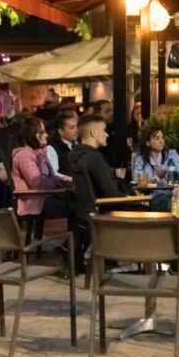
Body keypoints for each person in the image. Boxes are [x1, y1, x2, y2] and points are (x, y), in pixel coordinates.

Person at [69, 114, 127, 267]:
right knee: (153, 207)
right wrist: (132, 197)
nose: (107, 134)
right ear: (94, 133)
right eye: (104, 130)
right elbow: (111, 194)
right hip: (103, 213)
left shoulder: (73, 155)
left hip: (83, 214)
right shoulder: (94, 158)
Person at [10, 117, 72, 221]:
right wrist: (58, 182)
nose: (46, 135)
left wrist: (62, 181)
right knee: (76, 207)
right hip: (32, 202)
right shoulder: (24, 155)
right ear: (31, 135)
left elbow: (48, 176)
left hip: (43, 197)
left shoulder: (39, 153)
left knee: (78, 201)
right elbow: (37, 183)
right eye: (42, 132)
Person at [132, 127, 179, 210]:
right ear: (148, 143)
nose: (161, 141)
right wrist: (157, 178)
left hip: (170, 192)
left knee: (165, 197)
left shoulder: (171, 154)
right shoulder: (141, 159)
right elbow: (136, 177)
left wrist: (165, 171)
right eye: (157, 138)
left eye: (162, 138)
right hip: (149, 194)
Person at [50, 110, 79, 182]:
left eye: (77, 127)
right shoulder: (52, 148)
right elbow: (54, 174)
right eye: (72, 128)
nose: (76, 130)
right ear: (61, 132)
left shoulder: (79, 145)